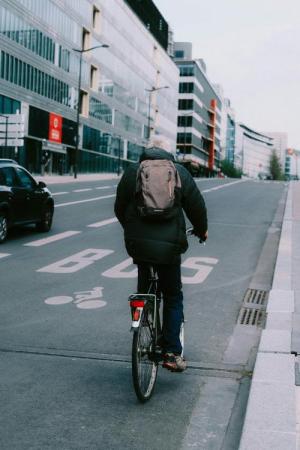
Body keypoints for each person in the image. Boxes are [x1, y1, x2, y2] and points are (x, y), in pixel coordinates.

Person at [114, 136, 208, 372]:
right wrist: (201, 230)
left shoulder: (133, 171)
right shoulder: (179, 172)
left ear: (148, 150)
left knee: (144, 287)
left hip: (139, 245)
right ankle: (171, 352)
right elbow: (196, 206)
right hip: (169, 248)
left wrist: (132, 229)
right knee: (173, 296)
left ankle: (141, 311)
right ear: (169, 153)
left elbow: (119, 206)